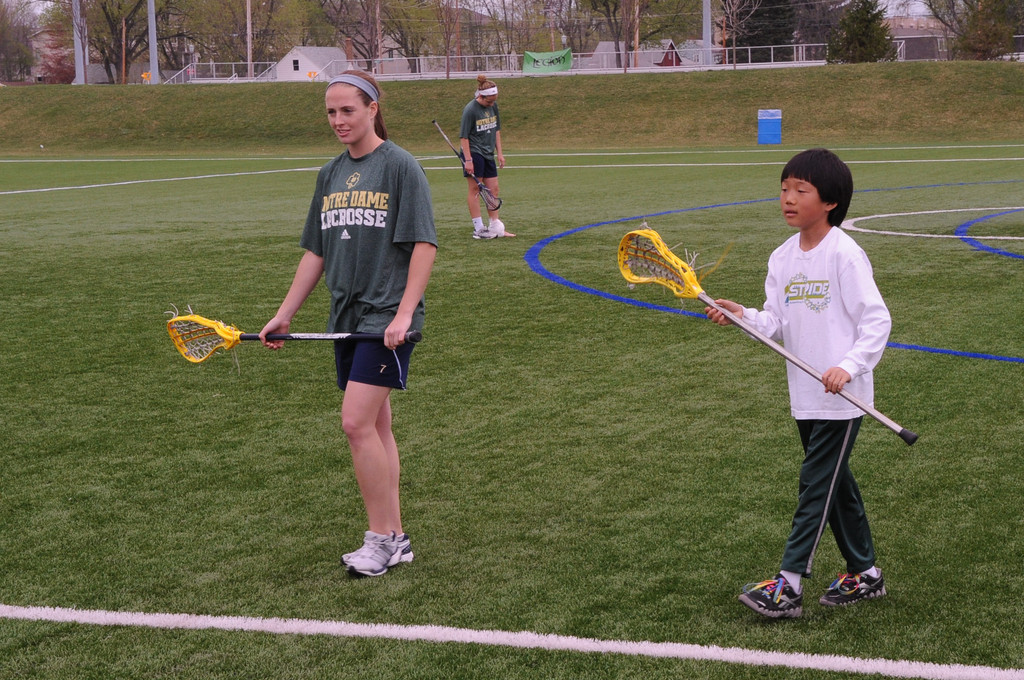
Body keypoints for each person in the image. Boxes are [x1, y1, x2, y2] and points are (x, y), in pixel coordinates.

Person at [259, 70, 437, 578]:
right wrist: (285, 313)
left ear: (373, 109)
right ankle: (396, 538)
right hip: (347, 316)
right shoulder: (330, 173)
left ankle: (379, 539)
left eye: (348, 111)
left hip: (386, 316)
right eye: (331, 112)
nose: (338, 120)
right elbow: (315, 251)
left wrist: (404, 313)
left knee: (355, 422)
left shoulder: (401, 166)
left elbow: (424, 244)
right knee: (377, 427)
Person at [705, 148, 891, 618]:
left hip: (843, 399)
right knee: (835, 485)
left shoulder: (845, 254)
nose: (788, 198)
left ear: (829, 201)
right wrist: (743, 315)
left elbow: (876, 321)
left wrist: (848, 366)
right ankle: (866, 574)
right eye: (784, 189)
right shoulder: (782, 258)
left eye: (800, 190)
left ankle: (787, 585)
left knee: (815, 484)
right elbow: (776, 322)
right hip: (806, 395)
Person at [460, 74, 514, 239]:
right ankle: (479, 228)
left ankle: (495, 226)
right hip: (474, 153)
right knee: (475, 189)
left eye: (493, 101)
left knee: (493, 189)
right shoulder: (470, 110)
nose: (491, 104)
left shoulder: (493, 106)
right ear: (480, 96)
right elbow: (464, 137)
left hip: (488, 152)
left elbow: (496, 130)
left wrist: (500, 153)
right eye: (488, 101)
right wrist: (468, 160)